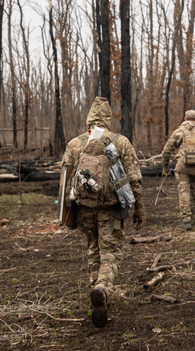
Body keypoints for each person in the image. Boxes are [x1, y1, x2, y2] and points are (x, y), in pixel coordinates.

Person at [61, 97, 145, 327]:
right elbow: (134, 178)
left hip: (84, 209)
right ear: (108, 119)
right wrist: (139, 209)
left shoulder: (75, 144)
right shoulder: (120, 142)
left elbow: (65, 179)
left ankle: (96, 291)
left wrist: (66, 213)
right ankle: (102, 288)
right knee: (111, 252)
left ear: (89, 119)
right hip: (111, 208)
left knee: (92, 248)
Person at [161, 109, 195, 230]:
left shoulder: (178, 132)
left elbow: (166, 151)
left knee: (184, 193)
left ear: (185, 119)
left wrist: (165, 167)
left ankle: (186, 221)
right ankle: (192, 216)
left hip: (182, 168)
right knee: (194, 192)